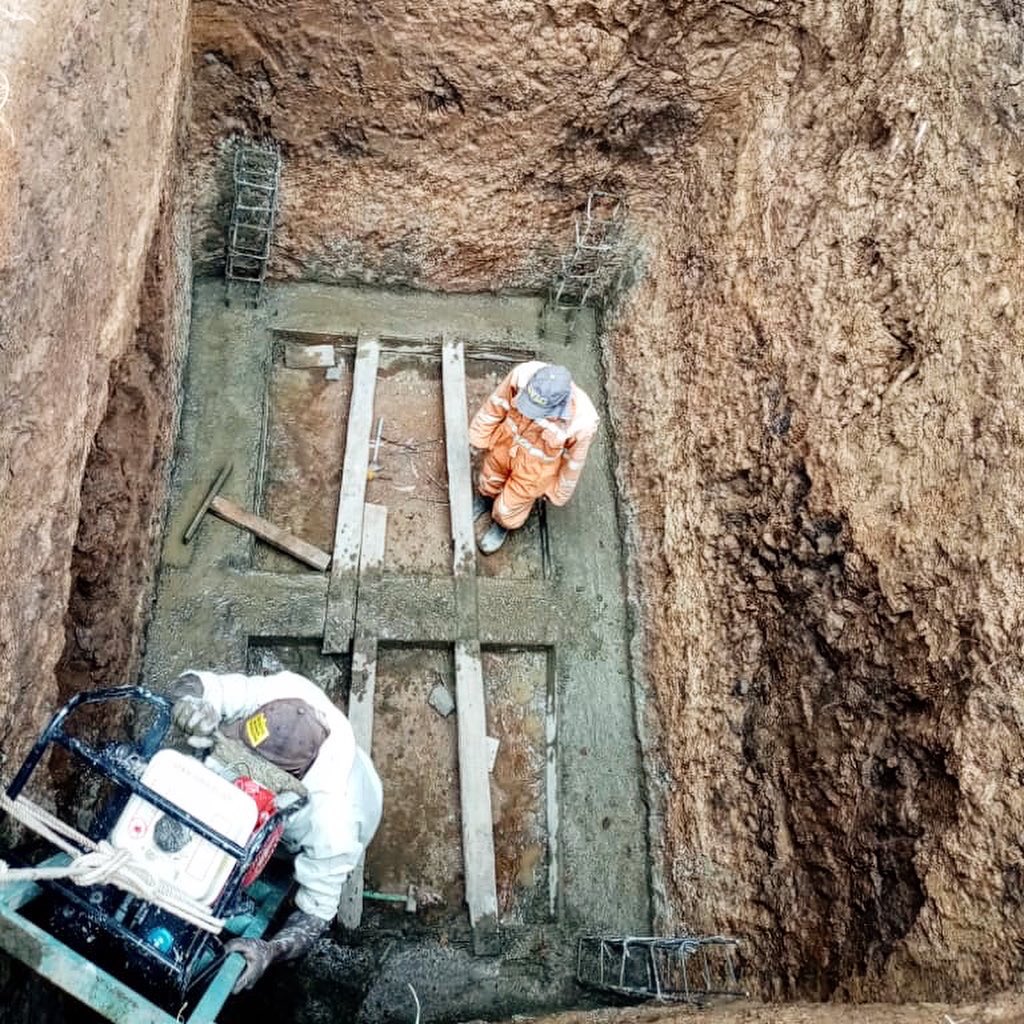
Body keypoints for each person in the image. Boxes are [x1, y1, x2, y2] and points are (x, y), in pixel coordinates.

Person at [169, 669, 383, 992]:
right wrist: (191, 705)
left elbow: (315, 915)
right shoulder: (283, 692)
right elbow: (197, 685)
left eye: (261, 778)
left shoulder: (333, 826)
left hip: (314, 829)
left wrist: (268, 949)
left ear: (292, 778)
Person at [468, 361, 599, 553]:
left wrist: (558, 491)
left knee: (510, 507)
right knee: (489, 477)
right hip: (505, 444)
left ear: (558, 408)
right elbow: (496, 404)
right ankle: (485, 499)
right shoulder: (522, 375)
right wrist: (479, 435)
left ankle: (502, 524)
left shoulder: (582, 422)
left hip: (535, 470)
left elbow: (574, 462)